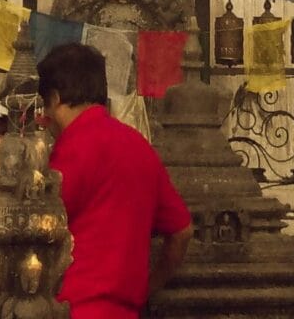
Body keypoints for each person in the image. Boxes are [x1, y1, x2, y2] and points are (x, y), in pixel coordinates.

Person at [38, 39, 192, 319]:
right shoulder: (139, 146)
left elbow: (39, 227)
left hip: (71, 308)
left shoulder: (72, 148)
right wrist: (148, 286)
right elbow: (182, 232)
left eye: (45, 106)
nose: (46, 117)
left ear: (56, 98)